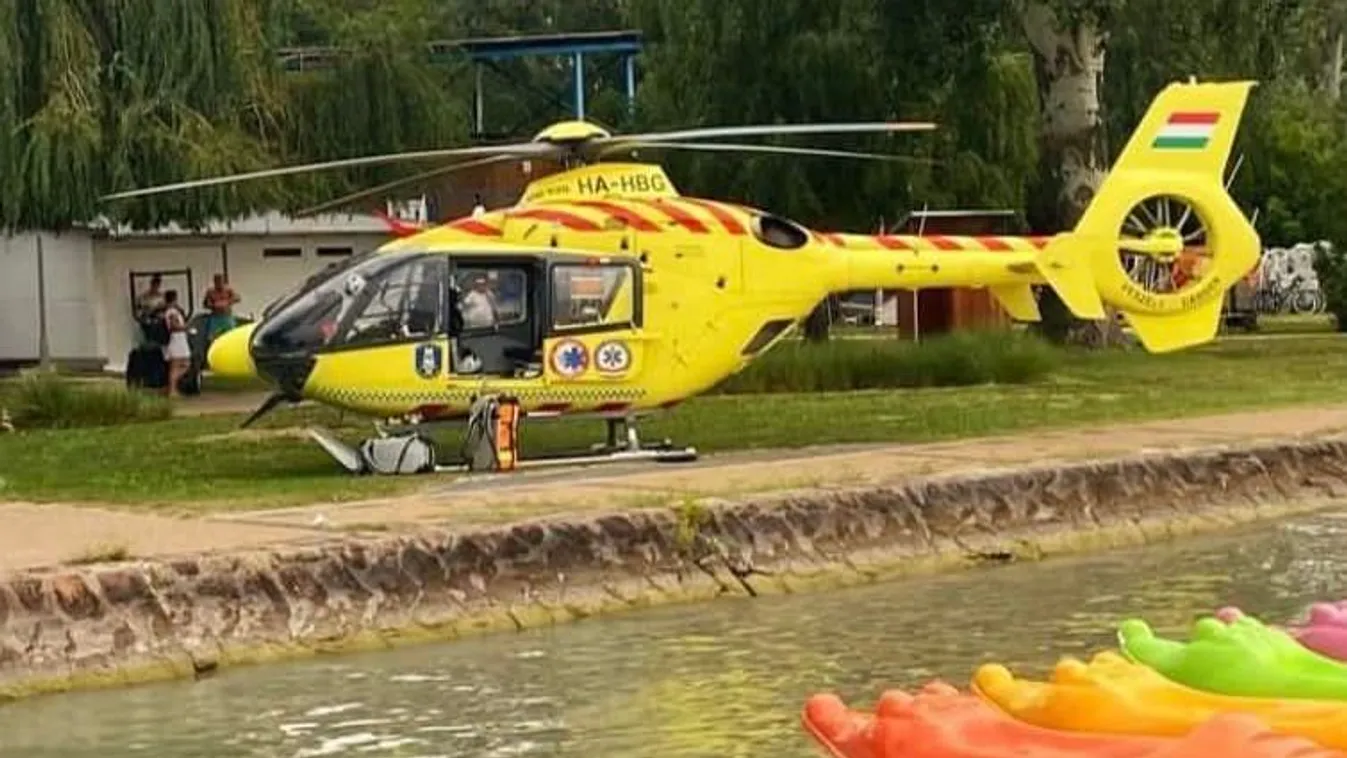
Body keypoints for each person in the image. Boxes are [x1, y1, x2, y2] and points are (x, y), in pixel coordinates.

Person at [162, 290, 191, 397]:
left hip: (180, 340)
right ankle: (172, 390)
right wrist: (186, 328)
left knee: (185, 363)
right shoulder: (172, 312)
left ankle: (170, 386)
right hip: (176, 341)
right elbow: (174, 326)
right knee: (175, 366)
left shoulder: (171, 311)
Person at [203, 273, 241, 343]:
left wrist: (227, 302)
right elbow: (206, 304)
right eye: (217, 282)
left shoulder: (228, 290)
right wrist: (213, 305)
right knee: (212, 338)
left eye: (220, 281)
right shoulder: (210, 291)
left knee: (232, 336)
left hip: (227, 317)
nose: (219, 284)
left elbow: (238, 298)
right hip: (216, 317)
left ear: (223, 281)